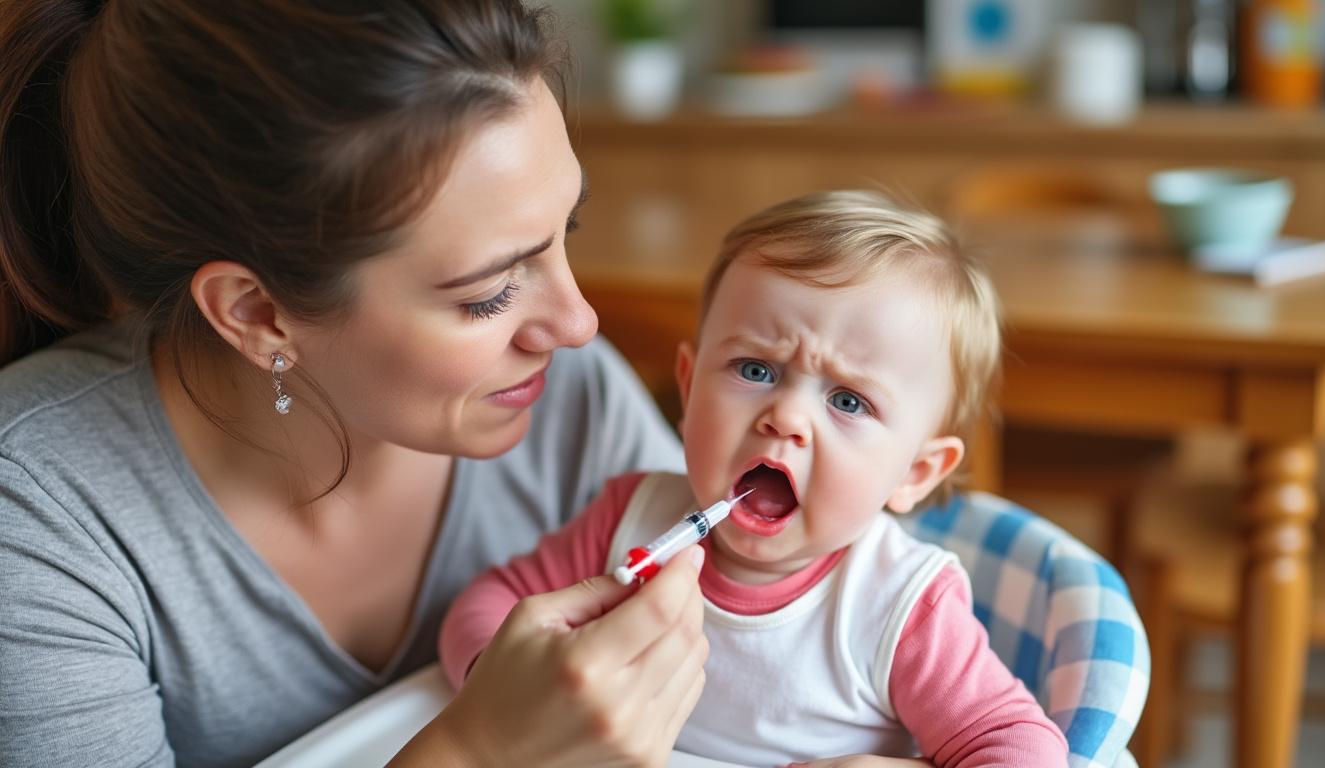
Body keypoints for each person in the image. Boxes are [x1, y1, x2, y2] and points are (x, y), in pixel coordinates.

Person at [0, 2, 712, 766]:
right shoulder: (38, 517)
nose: (577, 325)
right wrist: (474, 752)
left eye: (561, 235)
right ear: (258, 313)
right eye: (489, 293)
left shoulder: (576, 400)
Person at [439, 190, 1072, 767]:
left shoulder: (901, 608)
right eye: (755, 370)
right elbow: (492, 605)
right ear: (688, 389)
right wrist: (508, 695)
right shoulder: (629, 517)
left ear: (915, 473)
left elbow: (1023, 749)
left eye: (849, 402)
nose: (787, 418)